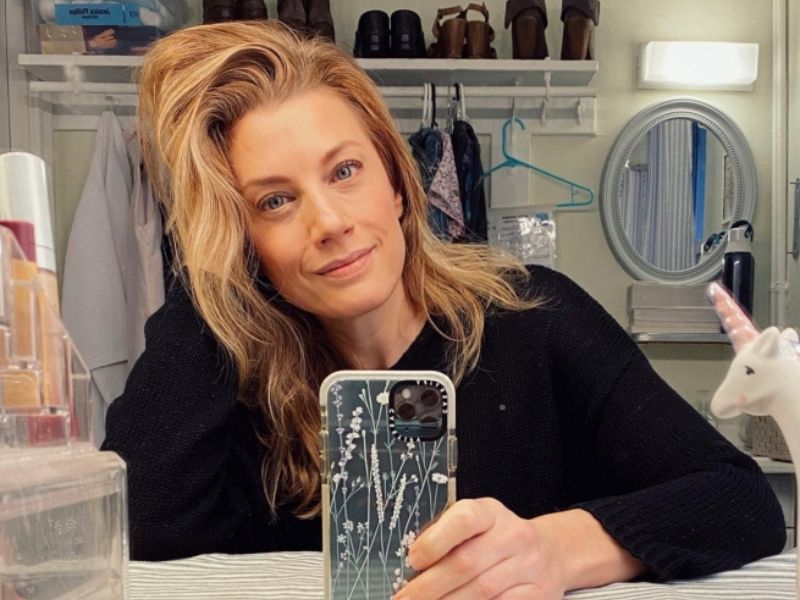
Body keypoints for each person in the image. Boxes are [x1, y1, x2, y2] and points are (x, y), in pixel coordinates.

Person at [102, 20, 785, 598]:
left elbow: (738, 499)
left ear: (398, 184)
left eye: (345, 171)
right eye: (274, 202)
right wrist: (215, 275)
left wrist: (557, 549)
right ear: (241, 239)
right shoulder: (231, 378)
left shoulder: (535, 314)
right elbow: (133, 537)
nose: (330, 222)